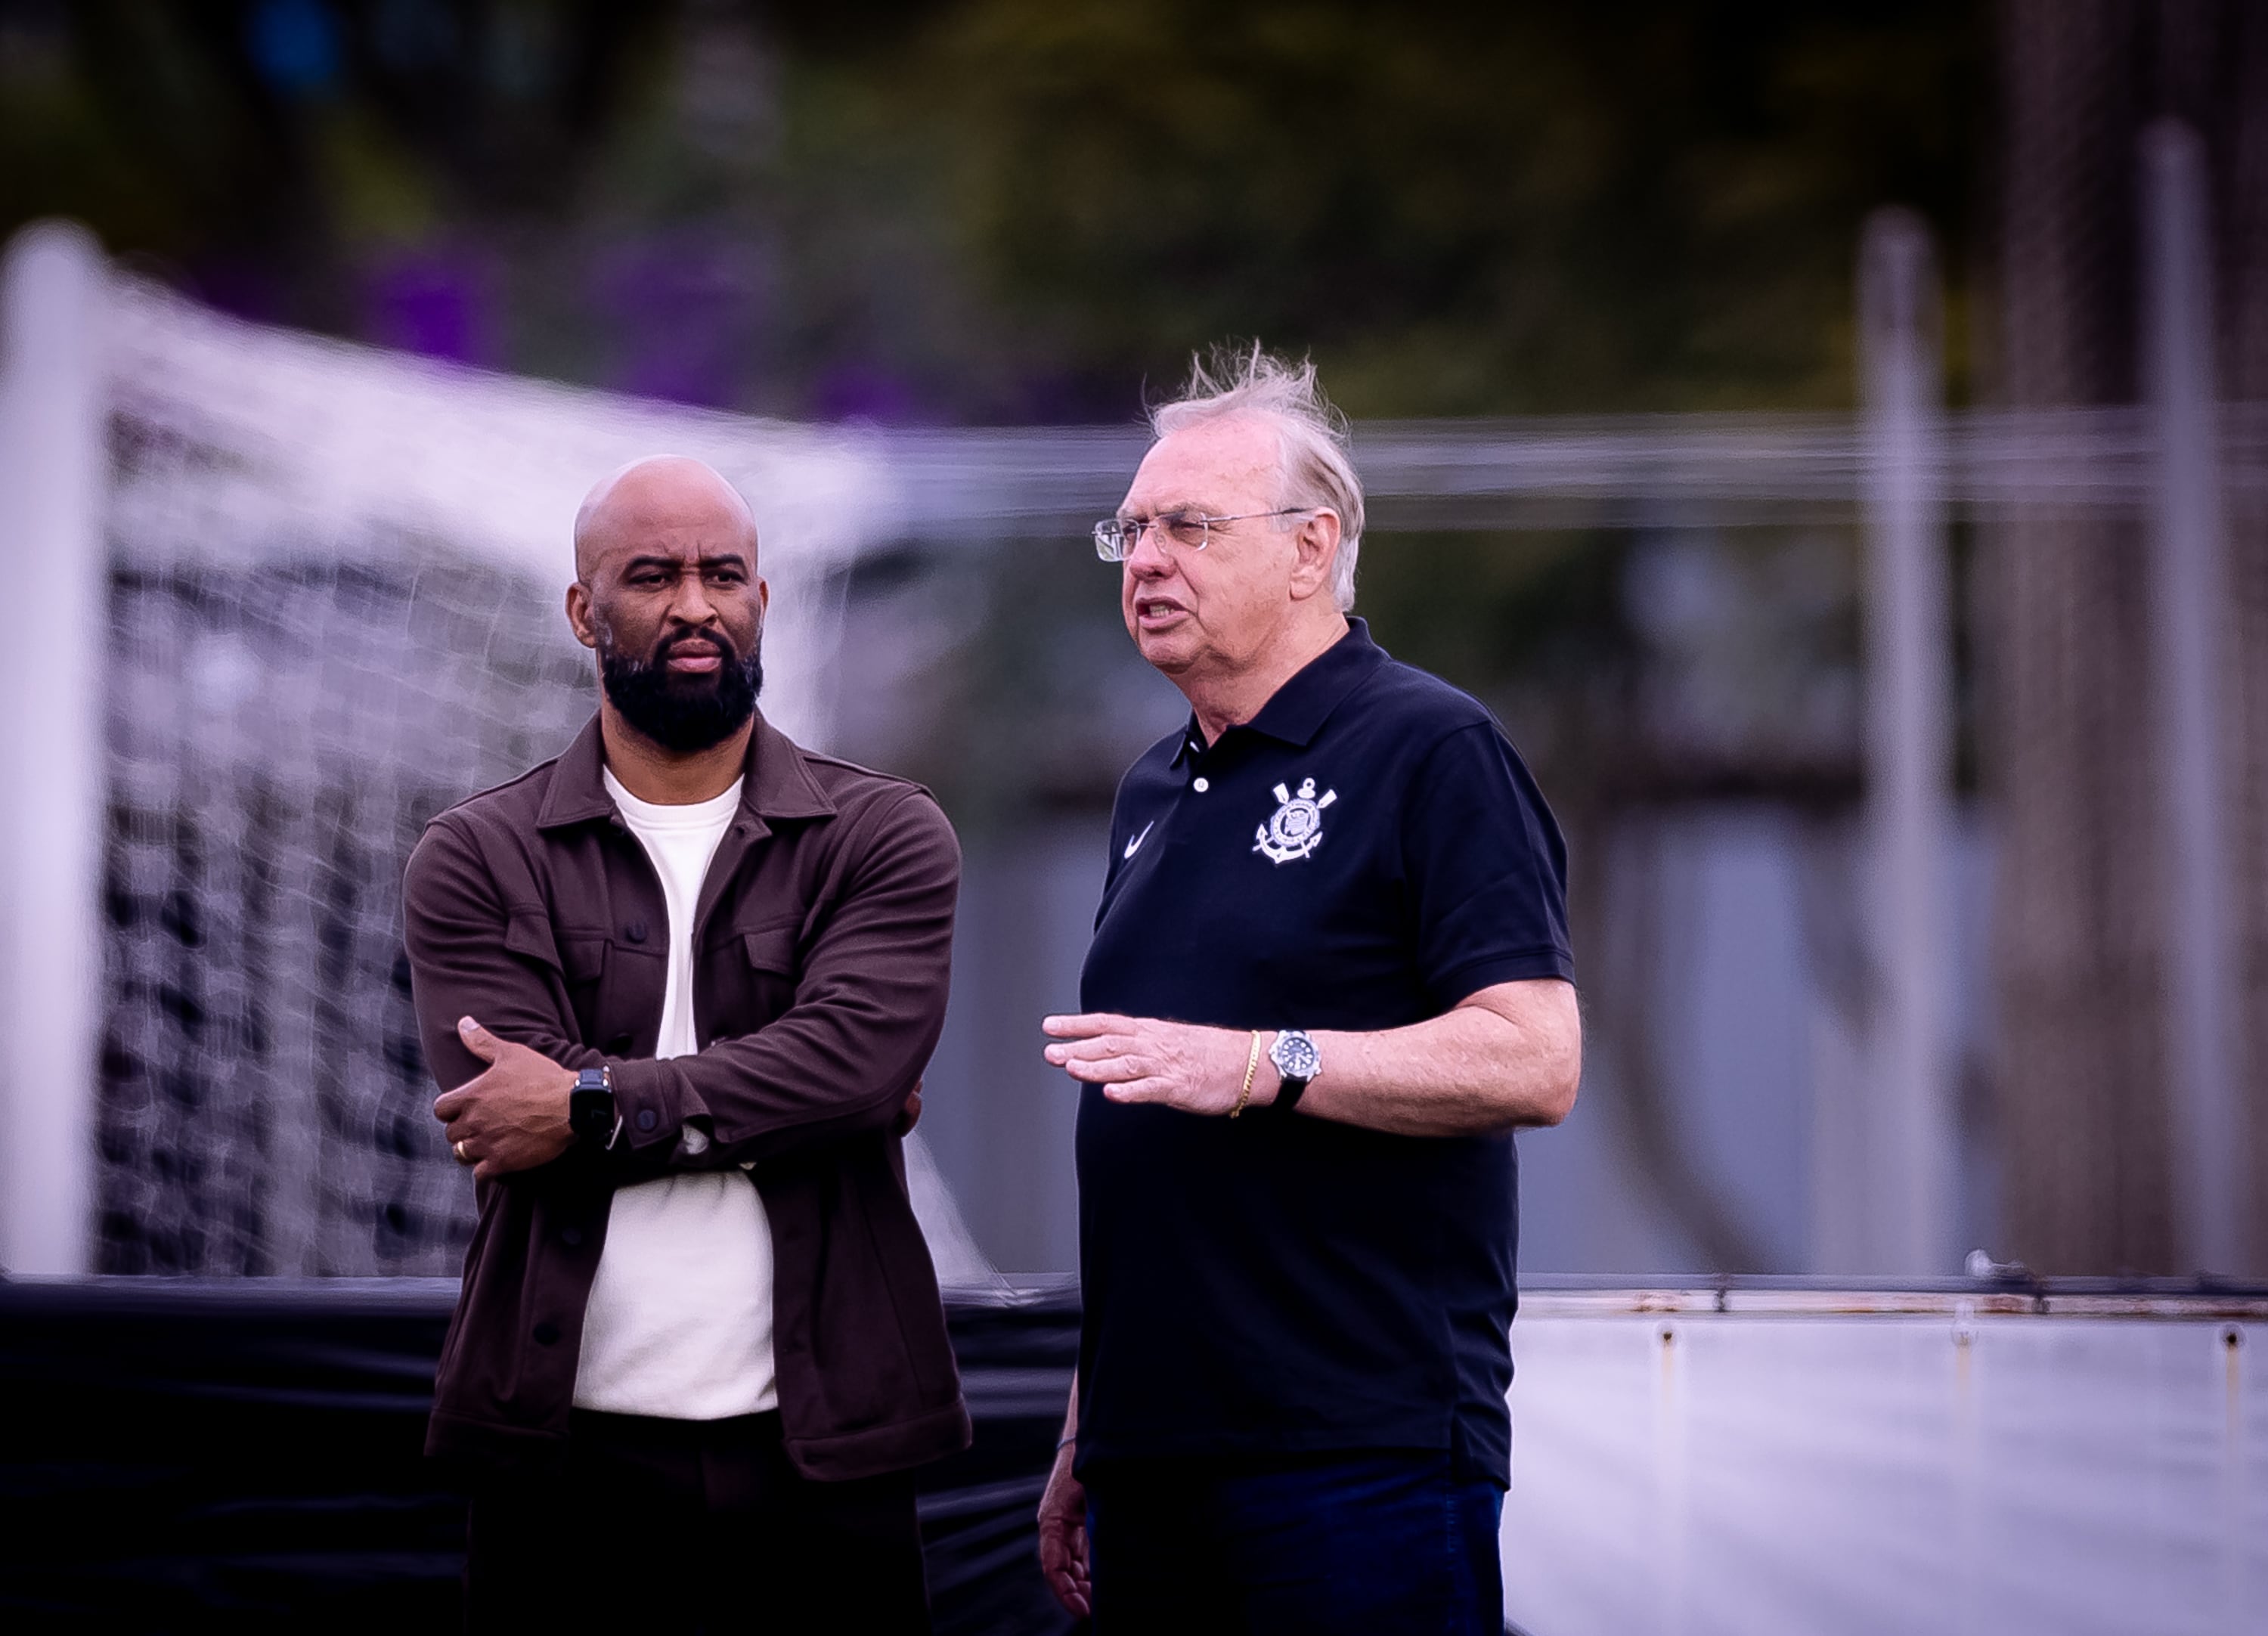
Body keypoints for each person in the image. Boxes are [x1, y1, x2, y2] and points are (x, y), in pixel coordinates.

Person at [1035, 350, 1583, 1634]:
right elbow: (1146, 1160)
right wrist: (1085, 1427)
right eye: (1131, 530)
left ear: (1309, 548)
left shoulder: (1432, 748)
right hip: (1150, 1460)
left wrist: (1261, 1064)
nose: (1145, 559)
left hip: (1356, 1453)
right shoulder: (1150, 790)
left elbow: (1534, 1058)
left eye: (1188, 527)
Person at [402, 455, 966, 1632]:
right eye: (653, 576)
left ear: (764, 597)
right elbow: (501, 1102)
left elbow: (853, 1070)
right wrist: (778, 1097)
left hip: (825, 1457)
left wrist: (589, 1106)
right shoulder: (476, 855)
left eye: (723, 575)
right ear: (583, 611)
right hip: (560, 1460)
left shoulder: (881, 833)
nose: (695, 605)